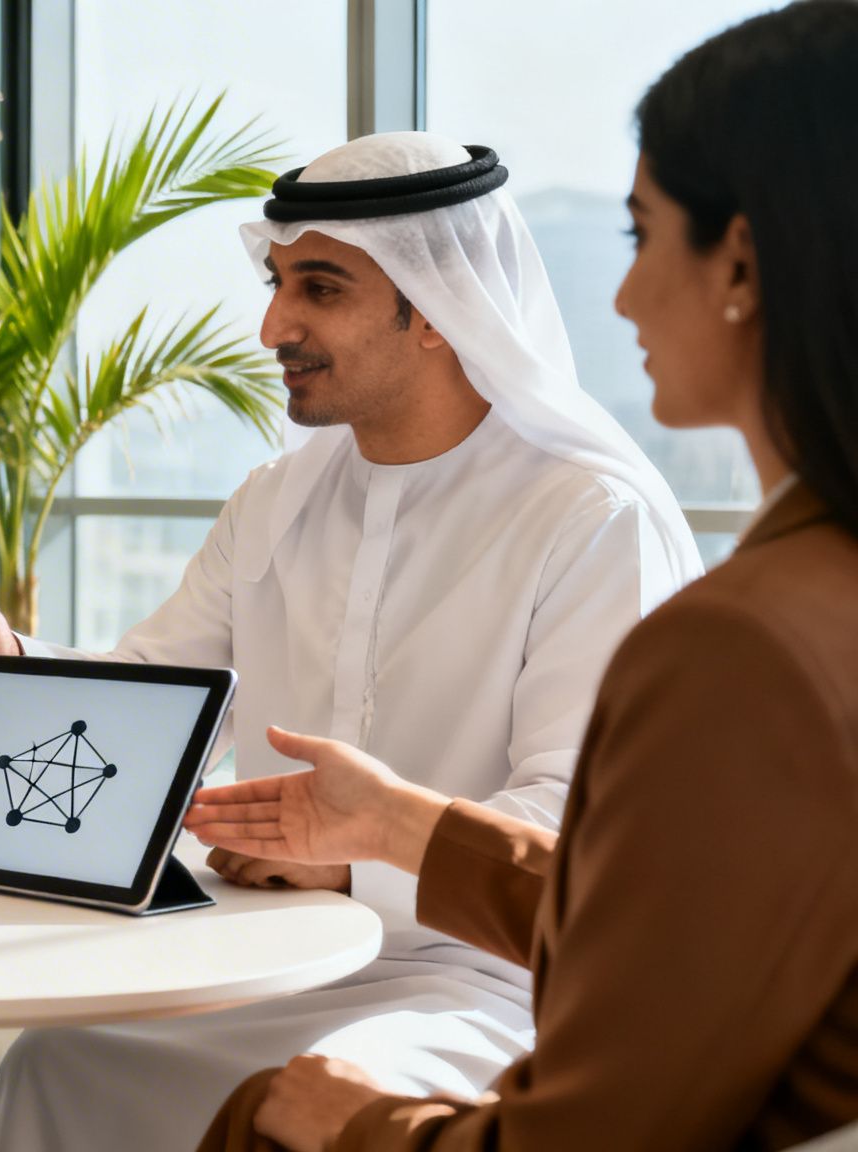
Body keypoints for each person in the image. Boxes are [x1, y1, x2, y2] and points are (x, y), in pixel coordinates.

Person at [0, 131, 707, 1148]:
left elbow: (580, 822)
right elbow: (155, 696)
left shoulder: (587, 516)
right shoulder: (272, 501)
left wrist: (351, 860)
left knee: (304, 1100)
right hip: (285, 955)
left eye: (319, 290)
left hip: (502, 982)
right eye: (276, 282)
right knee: (60, 1063)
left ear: (432, 308)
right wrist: (10, 670)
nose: (271, 325)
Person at [184, 3, 858, 1148]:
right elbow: (664, 915)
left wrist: (362, 1127)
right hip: (331, 944)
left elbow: (614, 1111)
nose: (619, 298)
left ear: (738, 258)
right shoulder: (277, 496)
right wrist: (396, 825)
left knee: (263, 1110)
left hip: (475, 982)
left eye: (640, 237)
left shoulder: (731, 629)